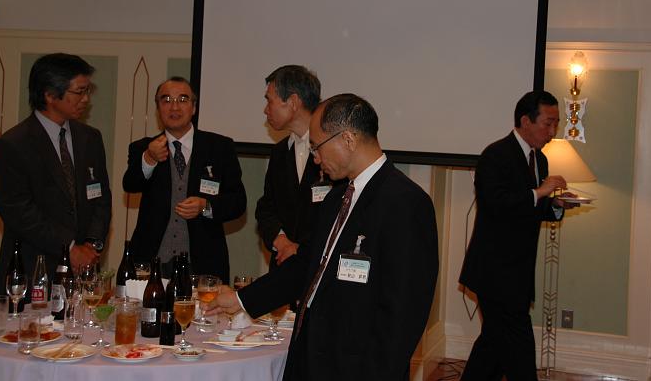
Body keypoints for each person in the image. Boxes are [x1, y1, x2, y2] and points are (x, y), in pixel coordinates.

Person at [206, 93, 439, 380]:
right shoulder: (336, 198)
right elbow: (307, 264)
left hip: (355, 368)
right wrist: (242, 299)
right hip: (312, 356)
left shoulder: (405, 203)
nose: (315, 158)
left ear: (348, 139)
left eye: (317, 147)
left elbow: (403, 314)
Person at [459, 90, 578, 380]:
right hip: (493, 271)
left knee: (493, 345)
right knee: (518, 345)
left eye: (556, 123)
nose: (552, 131)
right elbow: (495, 204)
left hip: (519, 272)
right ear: (526, 121)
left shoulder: (541, 160)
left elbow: (531, 209)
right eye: (548, 123)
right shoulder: (495, 155)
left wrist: (557, 205)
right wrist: (539, 192)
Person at [0, 53, 111, 297]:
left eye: (88, 91)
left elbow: (101, 199)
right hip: (31, 271)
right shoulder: (13, 145)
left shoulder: (90, 138)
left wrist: (91, 245)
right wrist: (70, 248)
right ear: (49, 95)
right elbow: (19, 211)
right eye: (79, 91)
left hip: (83, 272)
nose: (86, 99)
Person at [124, 77, 246, 282]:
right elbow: (130, 184)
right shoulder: (144, 148)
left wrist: (205, 206)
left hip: (204, 262)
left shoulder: (219, 147)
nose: (174, 107)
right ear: (158, 108)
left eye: (182, 99)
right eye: (166, 100)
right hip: (152, 262)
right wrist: (149, 158)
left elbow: (238, 202)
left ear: (194, 107)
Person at [256, 65, 323, 269]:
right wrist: (282, 242)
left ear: (293, 102)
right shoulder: (279, 152)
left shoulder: (332, 150)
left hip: (318, 268)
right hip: (282, 267)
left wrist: (300, 250)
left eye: (269, 100)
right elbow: (266, 209)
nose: (265, 109)